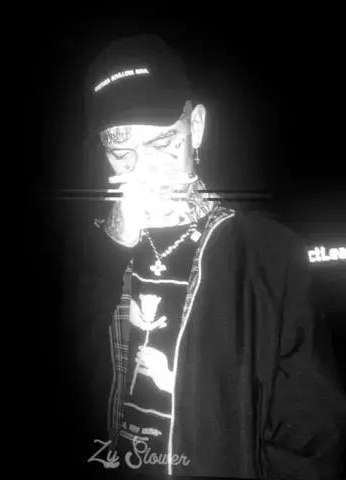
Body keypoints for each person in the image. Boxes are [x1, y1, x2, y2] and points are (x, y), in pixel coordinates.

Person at [72, 34, 346, 479]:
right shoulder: (90, 251)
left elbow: (311, 440)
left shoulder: (271, 253)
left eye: (162, 143)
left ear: (196, 127)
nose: (143, 169)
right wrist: (108, 250)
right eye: (121, 152)